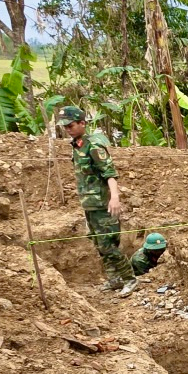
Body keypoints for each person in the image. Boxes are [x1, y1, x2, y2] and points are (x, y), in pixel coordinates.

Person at [58, 106, 138, 297]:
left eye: (71, 125)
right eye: (65, 126)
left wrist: (115, 198)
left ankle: (130, 279)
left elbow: (110, 174)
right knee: (98, 244)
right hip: (90, 205)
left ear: (82, 123)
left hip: (103, 205)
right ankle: (114, 279)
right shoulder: (78, 146)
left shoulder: (94, 146)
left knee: (108, 245)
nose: (68, 129)